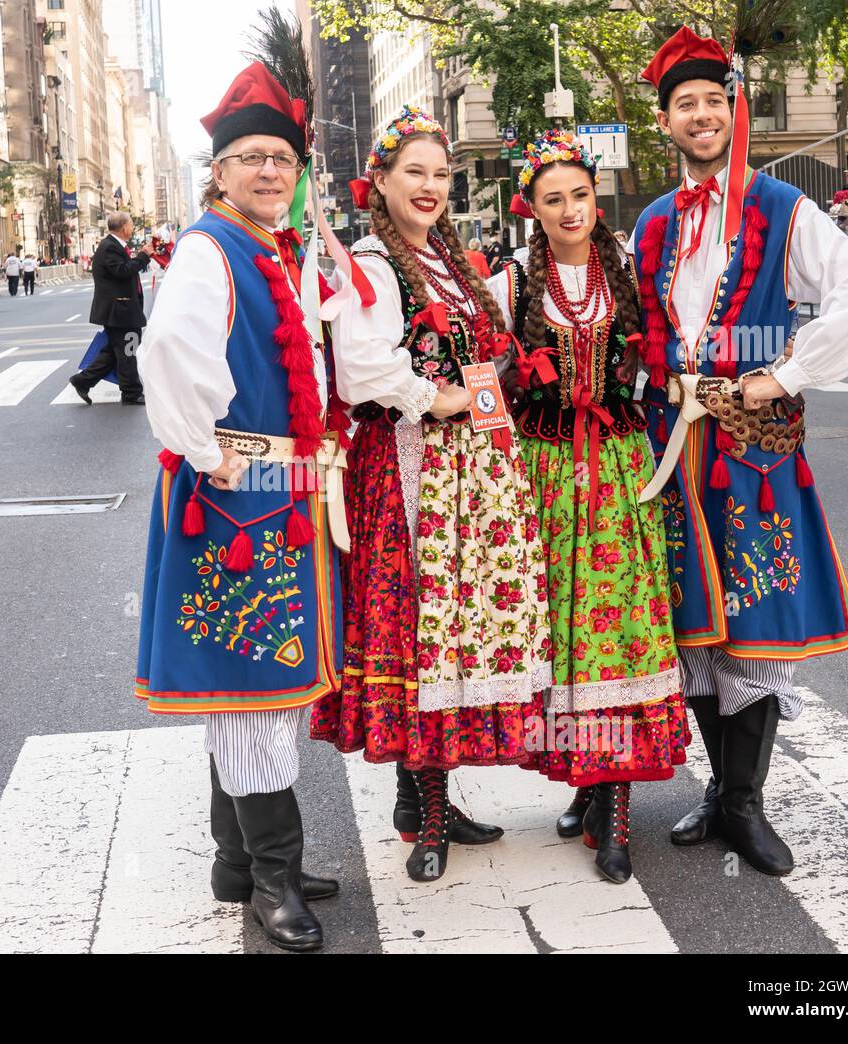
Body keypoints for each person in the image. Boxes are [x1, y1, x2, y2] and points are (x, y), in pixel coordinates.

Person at [633, 27, 848, 877]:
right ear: (664, 120)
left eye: (715, 101)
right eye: (685, 105)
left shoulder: (783, 207)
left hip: (753, 454)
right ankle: (719, 792)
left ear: (732, 110)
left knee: (755, 625)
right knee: (697, 630)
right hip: (672, 449)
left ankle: (745, 804)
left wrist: (778, 374)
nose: (702, 115)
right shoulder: (654, 221)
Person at [310, 105, 551, 884]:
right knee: (423, 629)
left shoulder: (448, 259)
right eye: (414, 171)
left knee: (453, 630)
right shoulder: (375, 263)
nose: (430, 186)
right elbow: (361, 367)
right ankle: (428, 813)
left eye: (441, 174)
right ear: (378, 180)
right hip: (411, 467)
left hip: (471, 475)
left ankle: (426, 802)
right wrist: (435, 397)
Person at [134, 61, 345, 952]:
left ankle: (238, 860)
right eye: (251, 158)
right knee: (257, 689)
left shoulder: (271, 248)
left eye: (283, 159)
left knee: (251, 684)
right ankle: (272, 878)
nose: (269, 172)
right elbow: (170, 356)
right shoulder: (207, 250)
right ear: (217, 170)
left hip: (277, 495)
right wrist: (210, 452)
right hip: (239, 499)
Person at [485, 129, 687, 884]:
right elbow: (483, 381)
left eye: (579, 194)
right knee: (565, 637)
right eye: (552, 199)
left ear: (595, 197)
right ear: (531, 209)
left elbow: (669, 355)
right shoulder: (509, 286)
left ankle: (617, 814)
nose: (571, 209)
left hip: (619, 466)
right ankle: (588, 783)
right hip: (542, 474)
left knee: (624, 633)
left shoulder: (631, 272)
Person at [71, 211, 153, 405]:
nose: (132, 229)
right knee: (128, 351)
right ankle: (131, 392)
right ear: (124, 227)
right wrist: (143, 257)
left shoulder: (114, 246)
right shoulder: (110, 247)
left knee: (114, 353)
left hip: (122, 310)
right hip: (120, 311)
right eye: (131, 225)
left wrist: (140, 257)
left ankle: (83, 381)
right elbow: (122, 271)